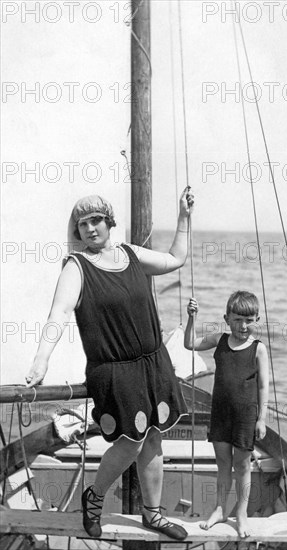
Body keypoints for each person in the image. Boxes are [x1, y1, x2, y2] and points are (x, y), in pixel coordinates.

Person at [26, 188, 194, 541]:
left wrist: (183, 217)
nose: (89, 229)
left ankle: (153, 514)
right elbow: (58, 312)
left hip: (153, 363)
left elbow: (175, 259)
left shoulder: (131, 254)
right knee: (131, 441)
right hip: (114, 370)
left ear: (108, 222)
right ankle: (95, 497)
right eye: (82, 224)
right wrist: (41, 360)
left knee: (153, 440)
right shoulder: (77, 266)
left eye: (95, 220)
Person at [184, 291, 269, 538]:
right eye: (237, 320)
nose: (243, 326)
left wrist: (261, 419)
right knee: (223, 464)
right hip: (220, 414)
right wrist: (192, 317)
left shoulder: (258, 348)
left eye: (249, 320)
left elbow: (263, 386)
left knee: (243, 466)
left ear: (257, 319)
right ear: (227, 318)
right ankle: (220, 509)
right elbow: (190, 344)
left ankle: (241, 513)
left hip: (245, 417)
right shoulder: (219, 340)